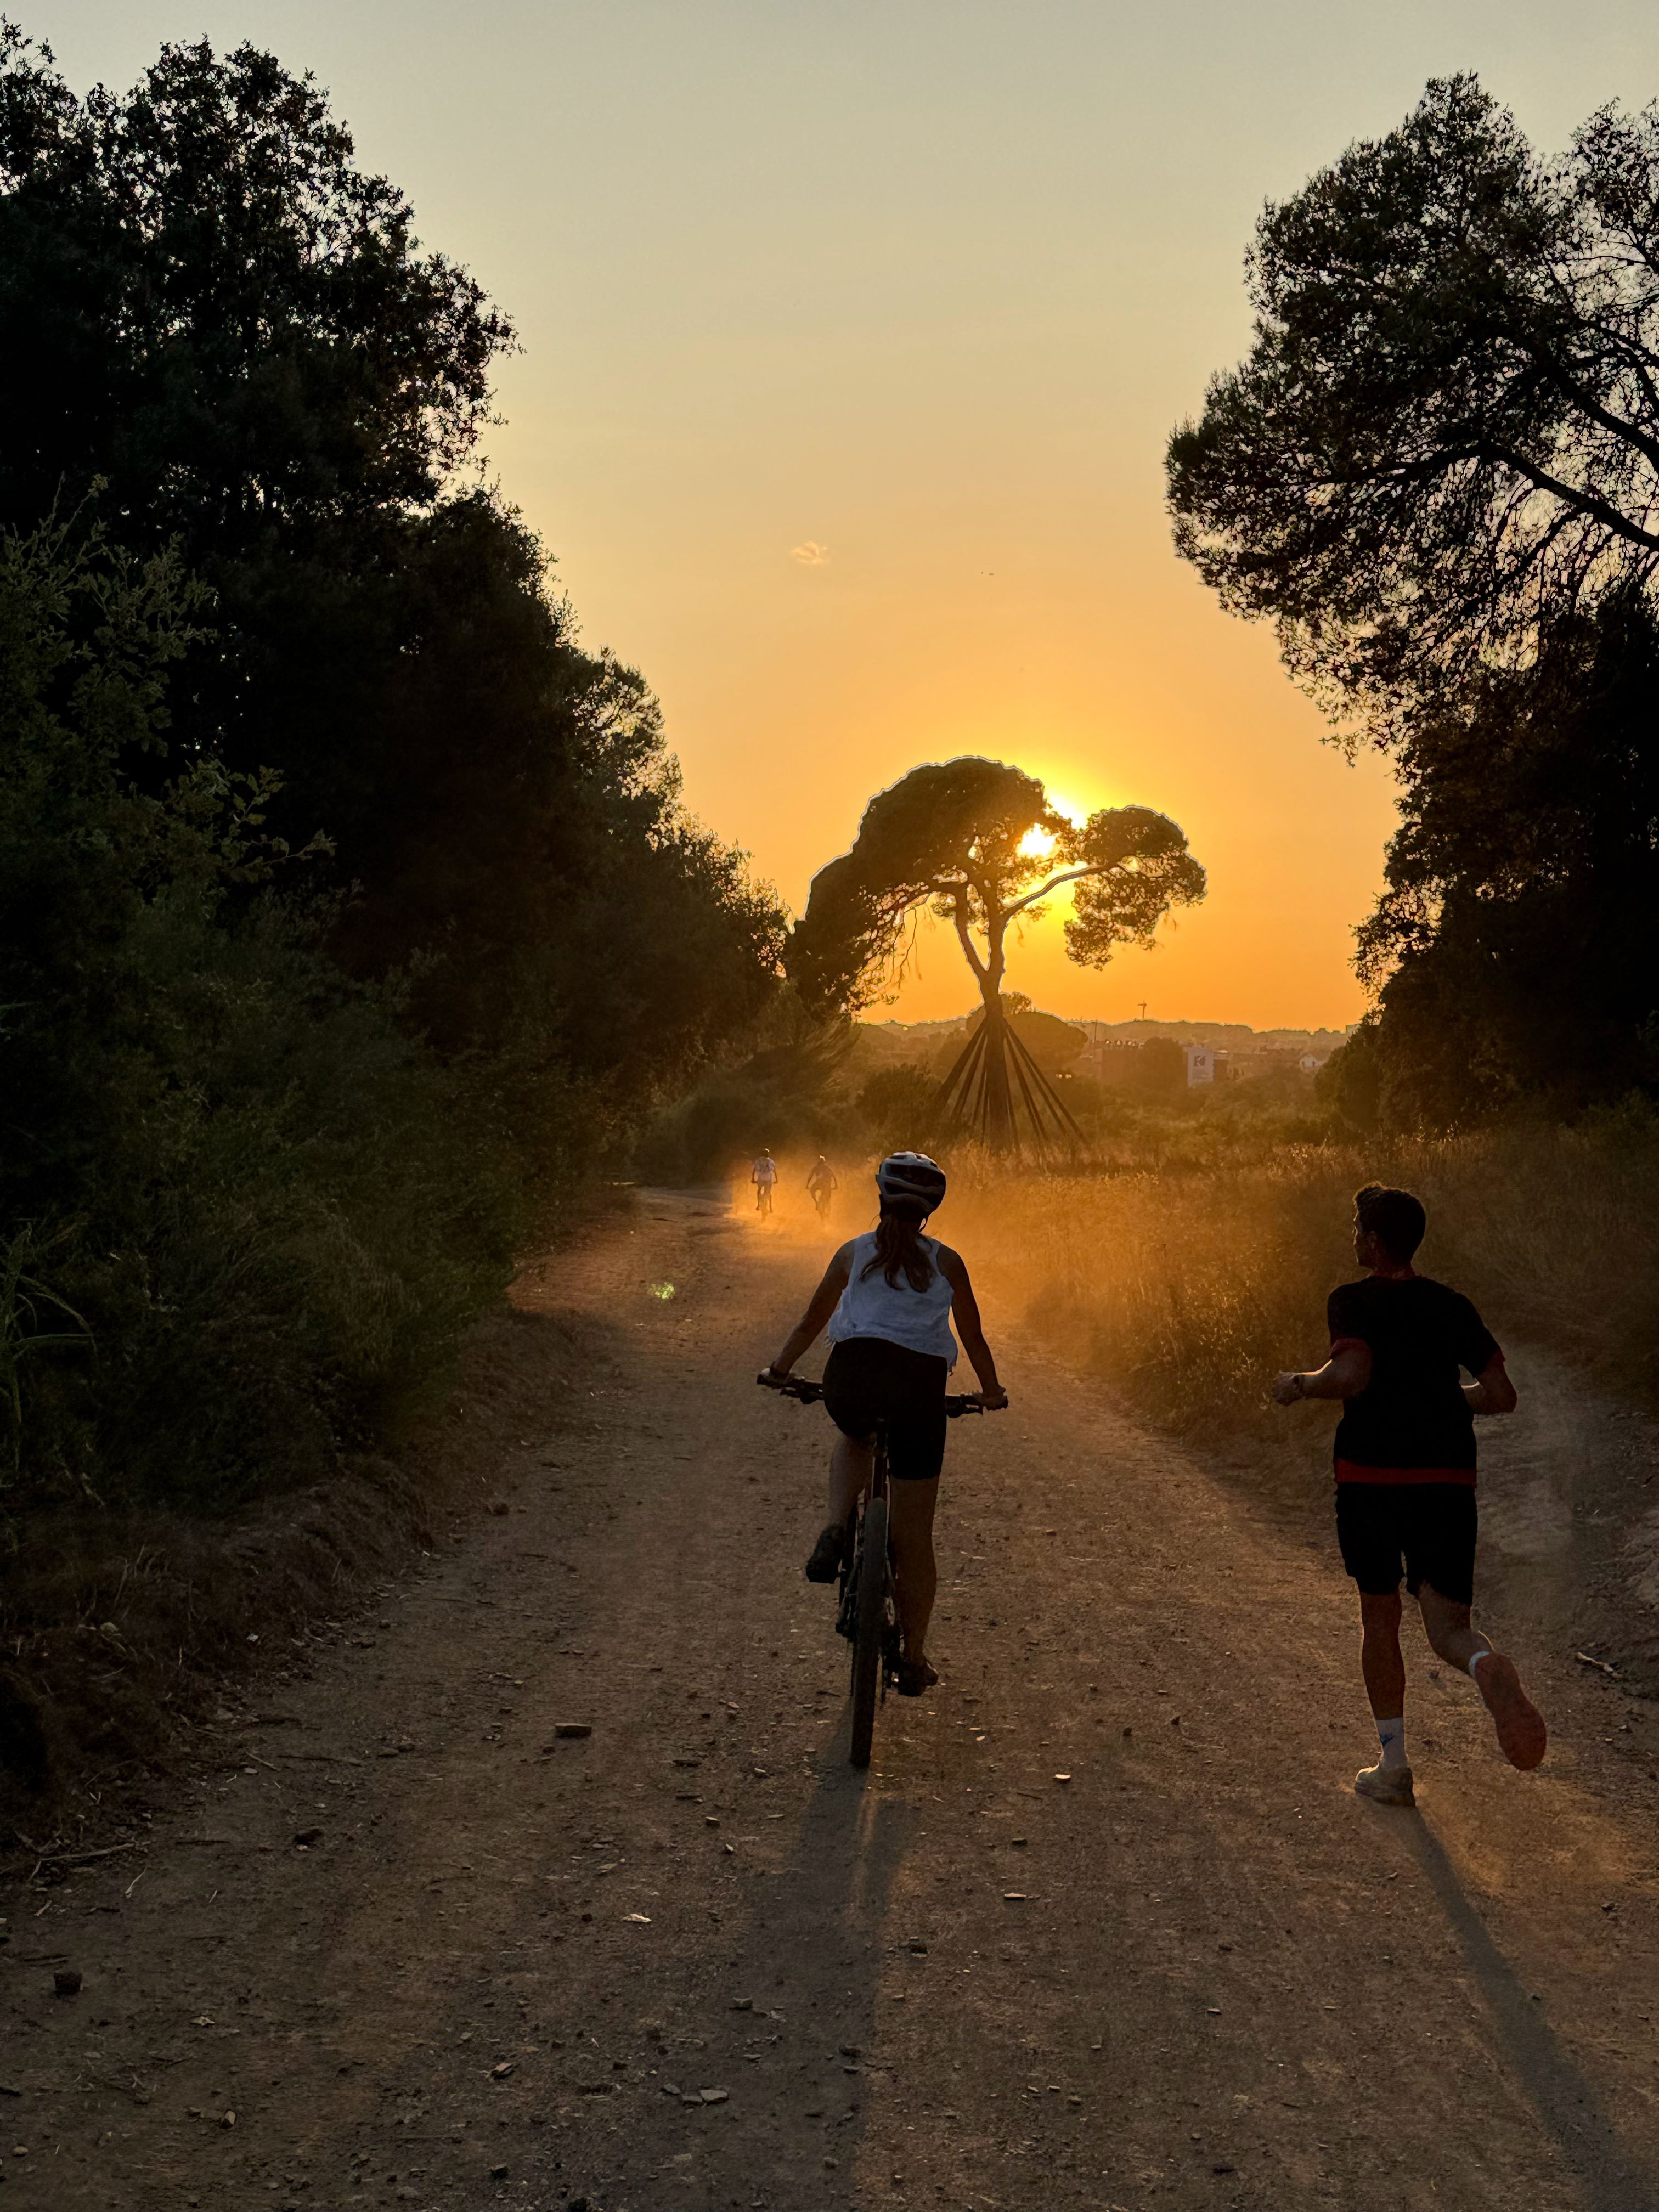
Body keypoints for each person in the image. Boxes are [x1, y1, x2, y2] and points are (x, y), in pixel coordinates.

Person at [1274, 1182, 1547, 1807]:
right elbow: (1501, 1395)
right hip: (1448, 1479)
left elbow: (1351, 1374)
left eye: (1356, 1230)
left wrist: (1298, 1384)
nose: (1352, 1238)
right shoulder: (1451, 1305)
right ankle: (1486, 1668)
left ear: (1372, 1243)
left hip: (1372, 1479)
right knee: (1449, 1629)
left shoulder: (1351, 1301)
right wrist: (1448, 1403)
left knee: (1380, 1616)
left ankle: (1393, 1765)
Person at [759, 1150, 1006, 1695]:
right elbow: (975, 1339)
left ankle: (833, 1527)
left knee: (855, 1434)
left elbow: (810, 1321)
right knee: (915, 1539)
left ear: (880, 1199)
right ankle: (913, 1659)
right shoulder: (948, 1263)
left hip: (853, 1376)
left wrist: (779, 1371)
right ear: (929, 1212)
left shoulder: (852, 1253)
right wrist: (991, 1393)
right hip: (919, 1393)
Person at [806, 1155, 838, 1220]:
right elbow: (834, 1177)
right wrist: (836, 1185)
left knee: (812, 1191)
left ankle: (817, 1203)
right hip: (826, 1186)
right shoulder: (827, 1168)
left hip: (820, 1185)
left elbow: (810, 1176)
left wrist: (807, 1185)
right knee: (828, 1201)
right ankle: (827, 1213)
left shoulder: (816, 1167)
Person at [751, 1146, 777, 1216]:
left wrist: (753, 1179)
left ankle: (759, 1205)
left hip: (761, 1179)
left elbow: (754, 1170)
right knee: (768, 1193)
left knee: (759, 1190)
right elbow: (774, 1171)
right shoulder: (771, 1161)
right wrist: (776, 1180)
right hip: (769, 1179)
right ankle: (771, 1207)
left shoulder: (758, 1161)